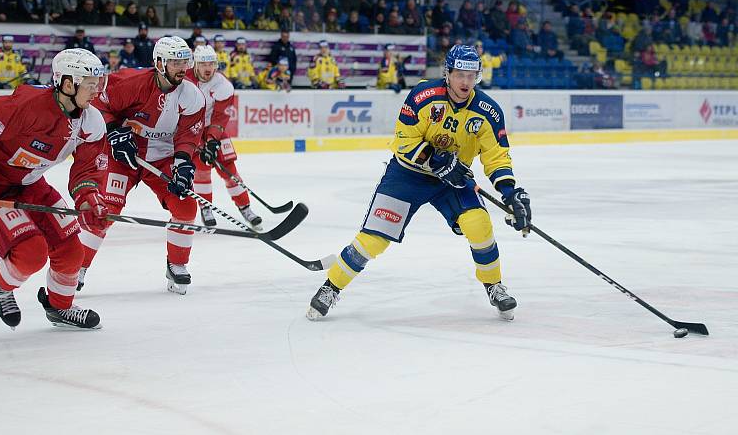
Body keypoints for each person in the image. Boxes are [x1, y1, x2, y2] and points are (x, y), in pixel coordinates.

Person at [306, 45, 531, 321]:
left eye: (471, 76)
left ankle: (494, 285)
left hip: (452, 179)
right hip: (407, 175)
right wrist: (435, 159)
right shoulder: (423, 96)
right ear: (447, 73)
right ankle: (331, 286)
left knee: (479, 225)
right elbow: (404, 140)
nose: (465, 82)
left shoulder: (488, 111)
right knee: (374, 240)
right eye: (459, 74)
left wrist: (510, 194)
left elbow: (497, 157)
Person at [0, 48, 109, 329]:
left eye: (99, 83)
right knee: (31, 252)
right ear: (68, 84)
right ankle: (1, 285)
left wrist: (88, 199)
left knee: (71, 251)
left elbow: (86, 169)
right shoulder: (27, 106)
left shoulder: (91, 122)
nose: (97, 92)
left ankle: (60, 308)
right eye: (91, 85)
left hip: (31, 184)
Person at [76, 36, 205, 295]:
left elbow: (189, 135)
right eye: (175, 62)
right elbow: (98, 105)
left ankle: (177, 264)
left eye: (185, 61)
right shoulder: (130, 83)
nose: (182, 67)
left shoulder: (192, 96)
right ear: (159, 63)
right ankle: (76, 267)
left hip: (162, 156)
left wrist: (183, 163)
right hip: (123, 154)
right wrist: (113, 131)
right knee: (105, 209)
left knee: (186, 205)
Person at [187, 45, 263, 228]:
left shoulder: (223, 86)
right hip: (191, 130)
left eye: (212, 63)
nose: (208, 68)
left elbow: (220, 117)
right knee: (201, 171)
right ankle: (206, 208)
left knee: (229, 169)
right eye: (204, 64)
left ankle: (245, 207)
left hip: (215, 130)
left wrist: (212, 141)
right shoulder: (184, 80)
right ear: (195, 64)